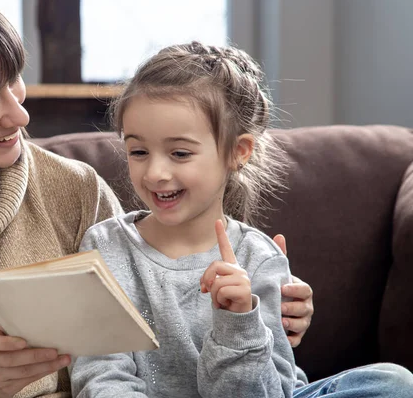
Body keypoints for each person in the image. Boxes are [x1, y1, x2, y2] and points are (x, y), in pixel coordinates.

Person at [0, 0, 314, 397]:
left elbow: (141, 333)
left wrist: (258, 317)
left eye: (14, 81)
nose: (19, 116)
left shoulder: (72, 191)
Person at [69, 42, 413, 398]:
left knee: (392, 383)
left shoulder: (259, 258)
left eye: (180, 153)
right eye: (138, 151)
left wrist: (239, 322)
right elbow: (101, 377)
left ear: (238, 152)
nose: (155, 172)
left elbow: (269, 393)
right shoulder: (105, 246)